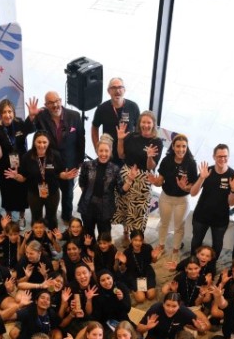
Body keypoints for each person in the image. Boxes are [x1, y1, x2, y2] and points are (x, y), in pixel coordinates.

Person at [28, 91, 85, 222]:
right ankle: (49, 217)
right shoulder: (41, 116)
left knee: (68, 193)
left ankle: (66, 216)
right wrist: (31, 117)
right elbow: (30, 130)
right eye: (51, 103)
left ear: (61, 100)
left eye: (57, 101)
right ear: (45, 105)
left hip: (69, 162)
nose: (55, 105)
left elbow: (81, 139)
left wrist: (80, 160)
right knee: (50, 192)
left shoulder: (74, 116)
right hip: (49, 162)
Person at [114, 110, 162, 240]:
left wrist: (150, 157)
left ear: (153, 124)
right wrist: (120, 140)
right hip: (127, 174)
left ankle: (136, 237)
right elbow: (121, 155)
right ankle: (125, 232)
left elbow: (151, 166)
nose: (146, 125)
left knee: (139, 211)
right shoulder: (132, 136)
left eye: (149, 122)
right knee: (124, 205)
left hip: (143, 179)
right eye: (143, 122)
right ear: (139, 123)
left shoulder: (157, 142)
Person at [150, 134, 199, 262]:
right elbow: (160, 181)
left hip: (182, 200)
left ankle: (175, 250)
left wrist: (185, 187)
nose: (181, 149)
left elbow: (193, 187)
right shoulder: (166, 160)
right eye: (178, 146)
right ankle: (161, 247)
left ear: (187, 147)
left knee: (178, 227)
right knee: (164, 223)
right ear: (173, 146)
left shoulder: (191, 163)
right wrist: (154, 181)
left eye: (184, 146)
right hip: (166, 197)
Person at [190, 144, 234, 258]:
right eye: (219, 156)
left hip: (220, 219)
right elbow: (193, 193)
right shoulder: (207, 171)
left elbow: (232, 203)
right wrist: (201, 178)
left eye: (225, 156)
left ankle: (210, 267)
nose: (222, 159)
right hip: (201, 215)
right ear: (214, 157)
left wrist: (233, 189)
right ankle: (192, 263)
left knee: (217, 245)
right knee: (196, 242)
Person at [76, 135, 121, 240]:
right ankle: (90, 253)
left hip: (105, 208)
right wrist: (89, 196)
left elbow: (121, 191)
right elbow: (82, 183)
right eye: (101, 151)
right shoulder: (87, 165)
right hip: (88, 206)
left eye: (106, 151)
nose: (103, 154)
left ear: (110, 152)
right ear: (97, 151)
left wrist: (129, 181)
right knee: (88, 235)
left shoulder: (115, 169)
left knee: (104, 237)